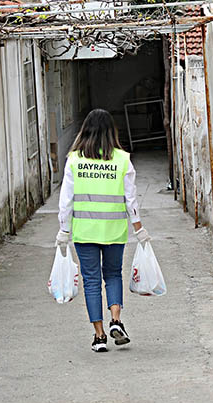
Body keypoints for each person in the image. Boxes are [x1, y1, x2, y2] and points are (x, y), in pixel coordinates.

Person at [56, 108, 150, 352]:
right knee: (113, 274)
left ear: (84, 130)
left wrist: (63, 230)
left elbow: (66, 200)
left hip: (85, 232)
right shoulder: (122, 159)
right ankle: (116, 320)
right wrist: (139, 229)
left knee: (91, 281)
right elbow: (131, 200)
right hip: (114, 231)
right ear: (111, 132)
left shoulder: (74, 160)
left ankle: (99, 337)